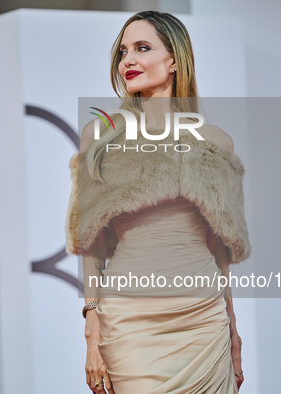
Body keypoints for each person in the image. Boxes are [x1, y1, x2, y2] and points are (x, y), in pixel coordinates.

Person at [65, 11, 251, 394]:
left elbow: (221, 249)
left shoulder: (217, 142)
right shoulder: (100, 137)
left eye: (142, 48)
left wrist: (232, 330)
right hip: (132, 321)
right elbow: (92, 244)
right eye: (122, 52)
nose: (127, 61)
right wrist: (91, 326)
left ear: (175, 61)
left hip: (204, 321)